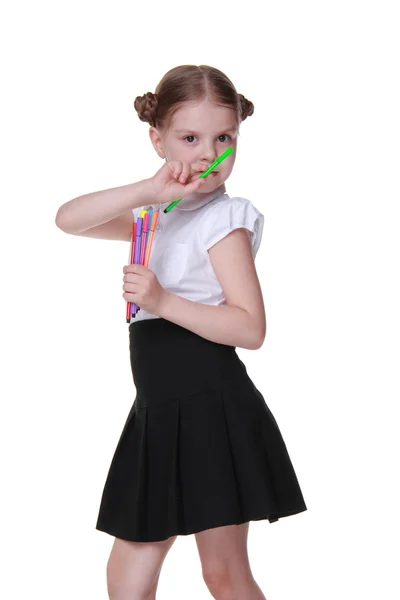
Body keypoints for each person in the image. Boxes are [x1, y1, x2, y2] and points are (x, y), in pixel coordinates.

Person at [55, 64, 307, 600]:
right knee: (129, 576)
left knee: (223, 574)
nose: (207, 154)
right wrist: (149, 187)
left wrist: (163, 301)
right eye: (189, 138)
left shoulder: (225, 220)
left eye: (224, 138)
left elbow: (250, 327)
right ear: (158, 139)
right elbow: (68, 219)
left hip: (210, 406)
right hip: (158, 410)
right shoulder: (157, 212)